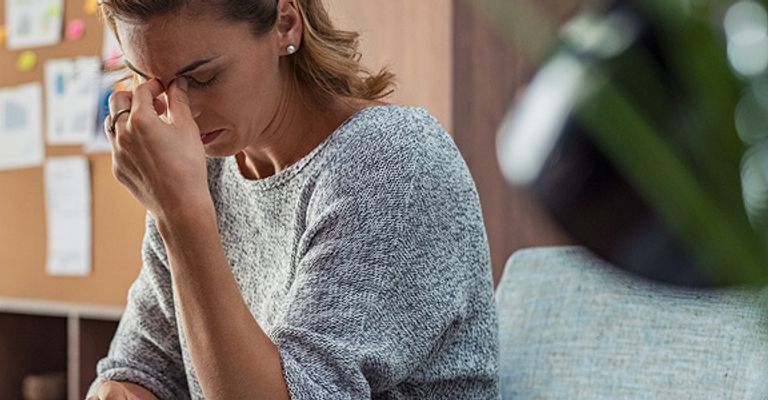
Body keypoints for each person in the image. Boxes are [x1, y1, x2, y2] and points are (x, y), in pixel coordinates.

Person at [88, 0, 499, 398]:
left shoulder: (392, 161)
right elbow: (148, 366)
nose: (180, 112)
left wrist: (181, 216)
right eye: (151, 82)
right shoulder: (203, 174)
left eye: (202, 78)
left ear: (285, 24)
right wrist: (121, 392)